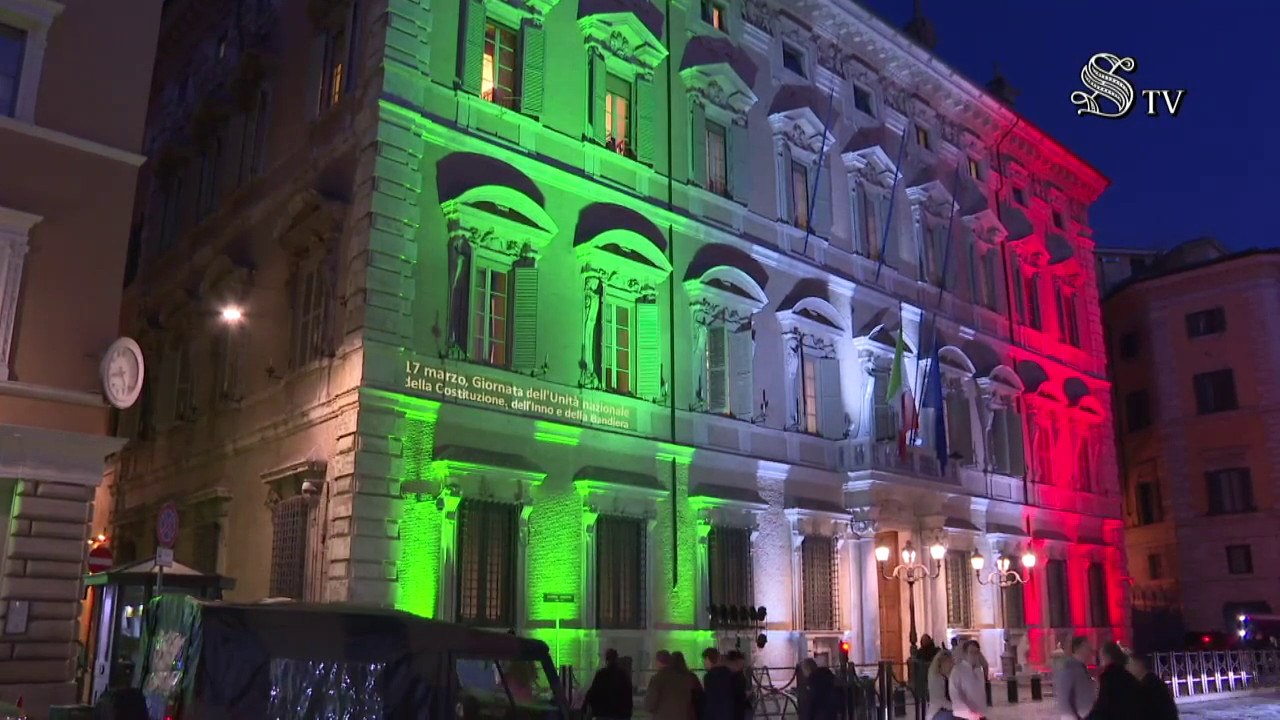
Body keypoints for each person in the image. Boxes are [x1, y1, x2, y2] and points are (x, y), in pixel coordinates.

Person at [1088, 642, 1143, 720]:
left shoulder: (1107, 677)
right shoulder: (1129, 676)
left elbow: (1102, 707)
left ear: (1106, 656)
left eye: (1100, 657)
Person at [1053, 636, 1097, 720]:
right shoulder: (1070, 667)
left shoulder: (1080, 668)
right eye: (1087, 647)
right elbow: (1066, 696)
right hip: (1075, 716)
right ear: (1078, 648)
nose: (1090, 650)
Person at [646, 650, 698, 720]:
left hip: (662, 716)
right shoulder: (685, 677)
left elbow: (650, 703)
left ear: (658, 662)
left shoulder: (657, 678)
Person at [584, 648, 633, 720]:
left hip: (603, 714)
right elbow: (628, 695)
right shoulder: (623, 675)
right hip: (620, 714)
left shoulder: (601, 674)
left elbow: (592, 693)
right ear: (617, 659)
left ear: (606, 659)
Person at [701, 648, 749, 720]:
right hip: (730, 714)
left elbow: (710, 703)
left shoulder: (709, 677)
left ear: (708, 659)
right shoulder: (729, 674)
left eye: (704, 660)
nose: (703, 663)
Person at [1128, 655, 1178, 720]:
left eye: (1130, 664)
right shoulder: (1147, 682)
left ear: (1139, 665)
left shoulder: (1151, 685)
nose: (1128, 668)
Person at [949, 641, 987, 720]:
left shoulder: (978, 671)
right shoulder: (958, 670)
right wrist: (969, 709)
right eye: (971, 652)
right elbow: (956, 693)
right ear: (965, 654)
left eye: (976, 652)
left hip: (979, 714)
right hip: (964, 716)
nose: (974, 655)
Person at [926, 649, 955, 720]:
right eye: (949, 662)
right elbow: (941, 701)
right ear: (941, 663)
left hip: (948, 709)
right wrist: (957, 708)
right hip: (938, 712)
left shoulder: (946, 676)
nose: (951, 665)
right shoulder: (936, 678)